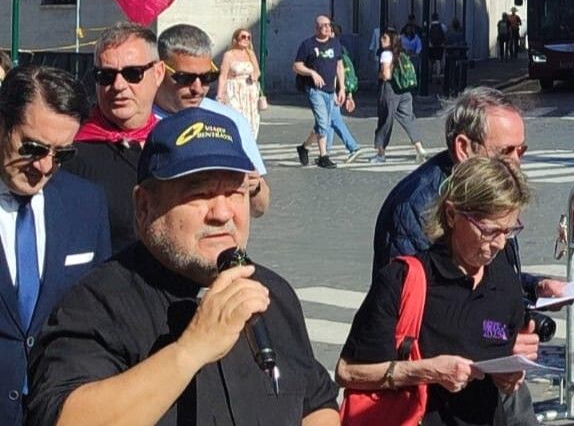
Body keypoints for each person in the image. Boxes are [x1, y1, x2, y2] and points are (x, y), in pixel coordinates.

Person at [27, 107, 339, 426]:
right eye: (199, 194)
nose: (222, 213)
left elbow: (316, 401)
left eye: (234, 192)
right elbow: (64, 418)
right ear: (144, 206)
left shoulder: (272, 294)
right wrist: (191, 350)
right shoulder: (96, 304)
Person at [338, 157, 536, 426]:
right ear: (452, 215)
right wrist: (427, 371)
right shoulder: (404, 279)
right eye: (489, 231)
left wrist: (510, 376)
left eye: (509, 230)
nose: (500, 243)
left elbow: (501, 349)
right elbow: (347, 371)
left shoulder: (504, 279)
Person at [370, 87, 564, 319]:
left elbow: (487, 276)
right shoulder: (417, 207)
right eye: (506, 151)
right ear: (463, 148)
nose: (516, 162)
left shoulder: (494, 190)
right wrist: (499, 333)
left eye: (521, 151)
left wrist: (534, 287)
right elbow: (419, 303)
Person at [0, 66, 111, 426]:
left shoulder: (87, 203)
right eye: (32, 148)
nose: (45, 166)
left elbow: (97, 314)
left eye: (61, 154)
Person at [62, 22, 164, 253]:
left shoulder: (175, 143)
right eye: (106, 76)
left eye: (133, 73)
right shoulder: (69, 150)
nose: (118, 85)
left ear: (158, 73)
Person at [151, 24, 271, 219]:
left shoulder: (230, 120)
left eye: (207, 77)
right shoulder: (139, 119)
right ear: (159, 71)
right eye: (184, 78)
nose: (197, 88)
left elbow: (259, 208)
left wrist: (255, 186)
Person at [292, 14, 362, 169]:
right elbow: (296, 66)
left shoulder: (335, 44)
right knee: (324, 122)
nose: (326, 28)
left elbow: (339, 66)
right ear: (316, 27)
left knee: (322, 123)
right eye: (323, 25)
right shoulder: (308, 45)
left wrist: (342, 89)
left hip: (331, 90)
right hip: (314, 90)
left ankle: (304, 147)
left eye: (328, 25)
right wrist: (312, 73)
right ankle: (323, 156)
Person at [374, 28, 426, 164]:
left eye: (385, 38)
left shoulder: (386, 54)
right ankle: (419, 148)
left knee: (385, 120)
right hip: (405, 90)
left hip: (390, 90)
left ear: (391, 41)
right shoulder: (402, 53)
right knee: (408, 119)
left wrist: (380, 74)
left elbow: (386, 75)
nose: (381, 40)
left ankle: (381, 154)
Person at [217, 29, 265, 136]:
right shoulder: (228, 55)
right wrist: (219, 96)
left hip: (249, 91)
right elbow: (223, 76)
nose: (246, 39)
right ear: (236, 39)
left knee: (251, 119)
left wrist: (254, 75)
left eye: (248, 38)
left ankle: (249, 141)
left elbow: (257, 71)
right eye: (243, 37)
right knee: (236, 116)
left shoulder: (250, 54)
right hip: (233, 91)